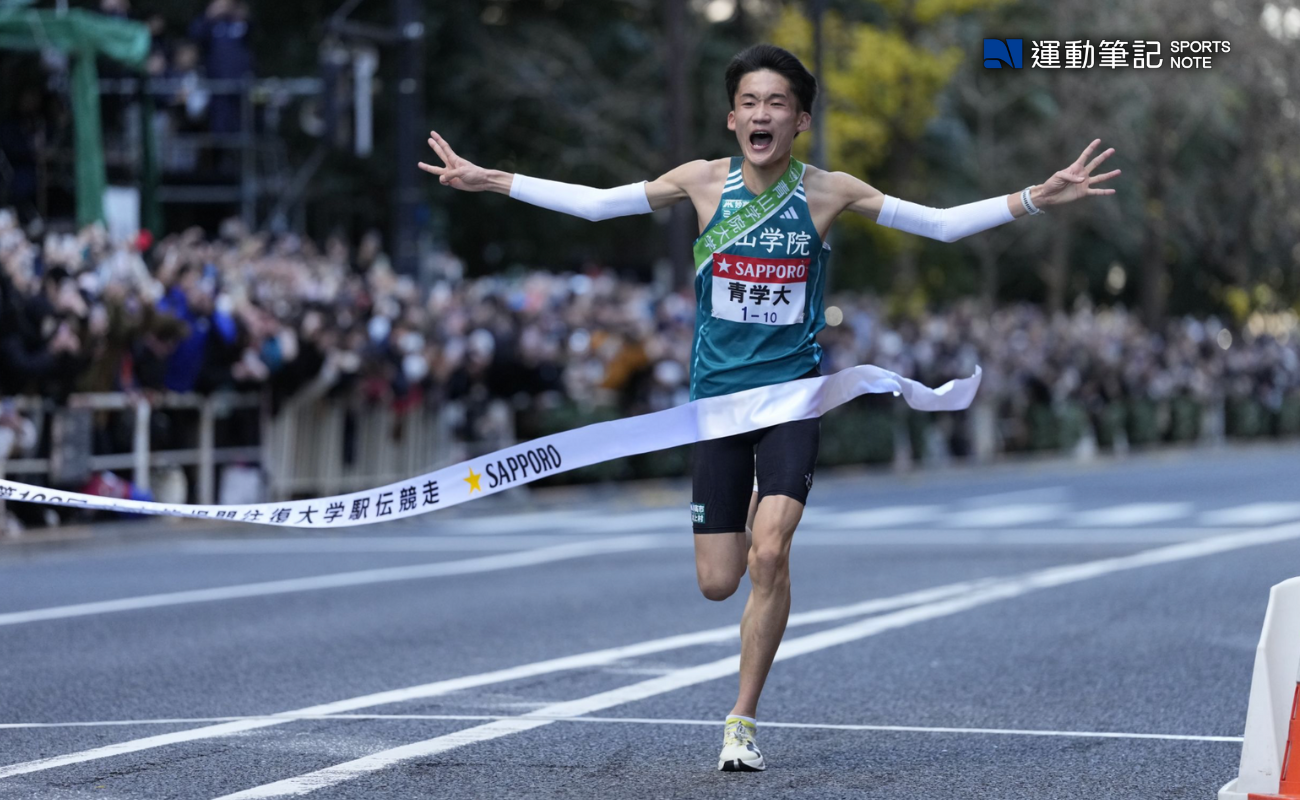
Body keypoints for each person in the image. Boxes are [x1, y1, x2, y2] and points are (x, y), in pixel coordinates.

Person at [418, 43, 1119, 772]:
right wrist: (488, 179)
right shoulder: (699, 181)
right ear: (732, 119)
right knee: (718, 581)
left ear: (800, 121)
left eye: (777, 103)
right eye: (749, 102)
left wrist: (1036, 196)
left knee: (770, 552)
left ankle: (741, 720)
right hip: (718, 408)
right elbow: (598, 206)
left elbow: (939, 224)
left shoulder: (830, 191)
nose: (762, 114)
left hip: (791, 400)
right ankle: (754, 520)